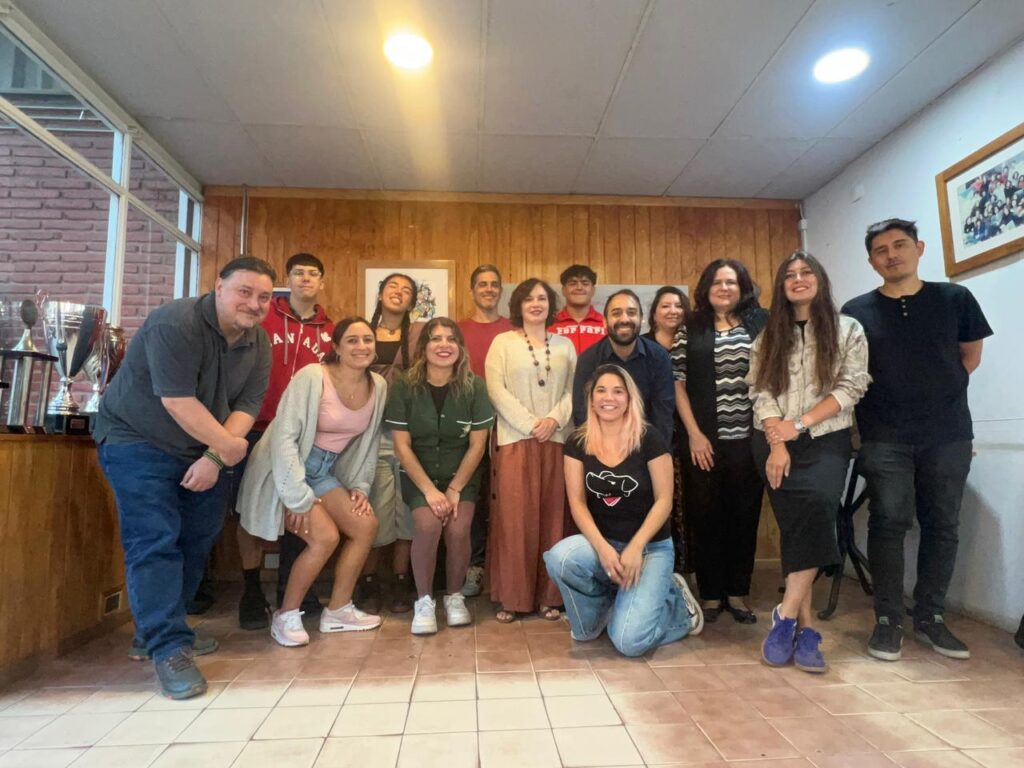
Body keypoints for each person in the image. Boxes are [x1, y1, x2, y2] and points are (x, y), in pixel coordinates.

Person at [94, 256, 274, 699]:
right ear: (219, 286)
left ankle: (157, 629)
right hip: (137, 441)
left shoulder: (259, 342)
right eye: (244, 291)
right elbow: (177, 402)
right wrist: (227, 449)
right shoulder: (173, 324)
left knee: (198, 536)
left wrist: (215, 455)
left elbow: (247, 407)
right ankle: (169, 647)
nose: (254, 304)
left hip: (201, 450)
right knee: (155, 540)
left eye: (264, 297)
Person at [841, 219, 993, 662]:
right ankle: (888, 620)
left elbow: (970, 356)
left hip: (947, 433)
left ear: (919, 248)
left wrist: (935, 395)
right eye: (881, 250)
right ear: (871, 261)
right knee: (889, 521)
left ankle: (931, 617)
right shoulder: (855, 310)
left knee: (943, 524)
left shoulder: (954, 298)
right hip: (883, 434)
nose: (892, 255)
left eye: (900, 245)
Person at [748, 251, 870, 674]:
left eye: (806, 273)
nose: (798, 280)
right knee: (797, 527)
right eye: (790, 276)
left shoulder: (848, 329)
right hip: (774, 441)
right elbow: (760, 392)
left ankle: (783, 615)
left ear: (820, 279)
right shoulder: (769, 336)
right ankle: (808, 629)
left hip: (826, 440)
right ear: (781, 286)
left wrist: (798, 425)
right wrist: (777, 441)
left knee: (818, 507)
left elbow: (851, 387)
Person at [238, 318, 386, 646]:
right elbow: (285, 437)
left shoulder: (378, 384)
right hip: (283, 469)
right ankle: (286, 615)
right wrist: (295, 496)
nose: (362, 346)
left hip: (323, 469)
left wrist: (360, 486)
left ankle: (338, 610)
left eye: (367, 340)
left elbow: (369, 442)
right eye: (352, 341)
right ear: (336, 347)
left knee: (365, 526)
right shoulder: (312, 377)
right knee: (325, 537)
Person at [545, 365, 703, 657]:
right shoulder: (577, 442)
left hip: (649, 548)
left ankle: (676, 606)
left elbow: (664, 500)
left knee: (630, 643)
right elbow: (577, 503)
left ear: (630, 398)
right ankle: (600, 616)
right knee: (560, 558)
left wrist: (636, 547)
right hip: (603, 545)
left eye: (619, 391)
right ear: (591, 399)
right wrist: (604, 549)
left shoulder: (649, 438)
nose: (609, 398)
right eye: (601, 390)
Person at [234, 252, 335, 632]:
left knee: (300, 510)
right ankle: (250, 591)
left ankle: (294, 593)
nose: (306, 279)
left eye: (314, 273)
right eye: (299, 273)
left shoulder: (330, 330)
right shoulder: (263, 318)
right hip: (258, 426)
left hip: (305, 437)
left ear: (322, 283)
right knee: (249, 513)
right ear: (288, 280)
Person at [671, 261, 767, 623]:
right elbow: (676, 380)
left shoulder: (760, 322)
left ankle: (738, 593)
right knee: (705, 515)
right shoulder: (692, 325)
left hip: (750, 438)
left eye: (731, 282)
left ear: (743, 287)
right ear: (706, 288)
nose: (724, 288)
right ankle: (711, 595)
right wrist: (694, 434)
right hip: (703, 440)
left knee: (744, 514)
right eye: (717, 282)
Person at [385, 317, 494, 634]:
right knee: (429, 525)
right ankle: (424, 601)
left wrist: (456, 488)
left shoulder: (475, 386)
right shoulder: (405, 385)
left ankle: (455, 597)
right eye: (435, 339)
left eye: (451, 339)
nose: (444, 345)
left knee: (459, 530)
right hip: (419, 476)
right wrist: (431, 492)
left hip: (462, 475)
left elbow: (478, 445)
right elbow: (402, 447)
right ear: (424, 347)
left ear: (460, 348)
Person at [486, 278, 576, 623]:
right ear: (518, 305)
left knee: (554, 519)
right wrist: (530, 424)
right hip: (515, 440)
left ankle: (550, 597)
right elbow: (496, 390)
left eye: (542, 298)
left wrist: (553, 420)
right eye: (529, 299)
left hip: (555, 440)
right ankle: (513, 597)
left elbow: (572, 391)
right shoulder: (503, 343)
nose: (536, 304)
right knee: (516, 519)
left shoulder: (565, 345)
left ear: (551, 305)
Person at [354, 273, 425, 615]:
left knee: (409, 513)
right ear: (380, 294)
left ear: (413, 301)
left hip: (409, 433)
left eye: (406, 290)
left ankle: (400, 580)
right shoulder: (361, 331)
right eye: (392, 287)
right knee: (373, 508)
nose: (399, 294)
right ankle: (366, 581)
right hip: (365, 433)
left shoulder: (418, 335)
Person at [457, 264, 513, 598]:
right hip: (469, 430)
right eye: (482, 284)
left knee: (506, 501)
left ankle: (504, 568)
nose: (489, 289)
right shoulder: (459, 330)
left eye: (494, 284)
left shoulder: (514, 330)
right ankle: (474, 566)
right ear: (472, 289)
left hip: (509, 429)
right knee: (473, 501)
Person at [572, 289, 675, 446]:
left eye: (632, 313)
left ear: (641, 319)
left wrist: (656, 454)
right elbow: (582, 413)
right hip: (601, 448)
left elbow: (663, 415)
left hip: (647, 446)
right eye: (616, 313)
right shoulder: (589, 359)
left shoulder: (659, 357)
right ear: (605, 321)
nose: (625, 319)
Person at [644, 286, 691, 573]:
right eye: (665, 305)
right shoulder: (643, 345)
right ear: (654, 313)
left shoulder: (694, 343)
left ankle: (684, 574)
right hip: (654, 434)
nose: (672, 311)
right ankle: (656, 570)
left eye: (678, 305)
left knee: (687, 505)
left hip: (690, 435)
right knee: (657, 502)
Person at [549, 264, 607, 355]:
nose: (579, 288)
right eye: (572, 283)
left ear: (593, 290)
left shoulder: (606, 325)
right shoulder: (549, 324)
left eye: (585, 283)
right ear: (563, 290)